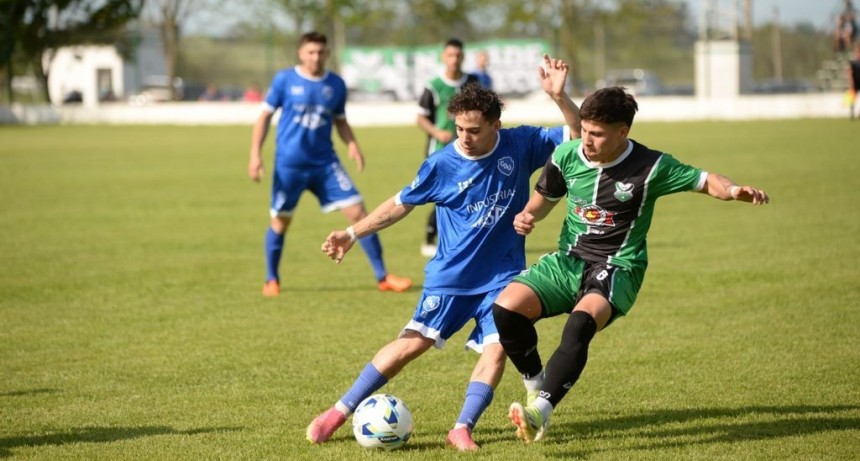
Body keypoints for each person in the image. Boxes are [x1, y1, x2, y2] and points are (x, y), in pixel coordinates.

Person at [306, 55, 582, 451]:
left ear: (495, 126)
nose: (463, 137)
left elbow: (573, 137)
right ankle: (338, 412)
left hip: (503, 277)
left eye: (473, 130)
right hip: (451, 278)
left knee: (497, 349)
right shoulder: (441, 163)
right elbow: (401, 203)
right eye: (458, 129)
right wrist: (352, 232)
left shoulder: (521, 144)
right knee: (411, 344)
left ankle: (462, 427)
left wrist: (559, 97)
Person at [492, 86, 770, 444]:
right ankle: (535, 387)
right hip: (569, 261)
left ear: (623, 132)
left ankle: (539, 412)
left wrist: (734, 191)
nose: (586, 140)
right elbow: (542, 201)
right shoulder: (565, 155)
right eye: (585, 130)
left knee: (580, 324)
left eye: (596, 134)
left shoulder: (652, 166)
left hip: (617, 265)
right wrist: (527, 217)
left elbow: (706, 181)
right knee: (506, 310)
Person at [248, 31, 412, 297]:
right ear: (301, 53)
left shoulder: (335, 84)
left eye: (320, 52)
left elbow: (340, 120)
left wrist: (352, 144)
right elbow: (264, 117)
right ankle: (271, 279)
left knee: (359, 213)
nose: (315, 57)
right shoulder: (284, 80)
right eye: (310, 52)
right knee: (280, 222)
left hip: (325, 165)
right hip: (289, 167)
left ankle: (383, 276)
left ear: (327, 53)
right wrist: (255, 154)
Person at [416, 38, 480, 258]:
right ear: (443, 57)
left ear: (463, 57)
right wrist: (437, 132)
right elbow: (421, 118)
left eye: (458, 55)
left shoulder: (472, 82)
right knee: (445, 194)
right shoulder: (434, 86)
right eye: (450, 55)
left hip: (469, 147)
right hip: (440, 148)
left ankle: (462, 237)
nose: (454, 60)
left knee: (470, 191)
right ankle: (430, 237)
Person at [849, 43, 860, 119]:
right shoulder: (853, 63)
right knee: (853, 97)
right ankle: (852, 113)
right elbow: (850, 72)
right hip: (855, 83)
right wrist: (851, 82)